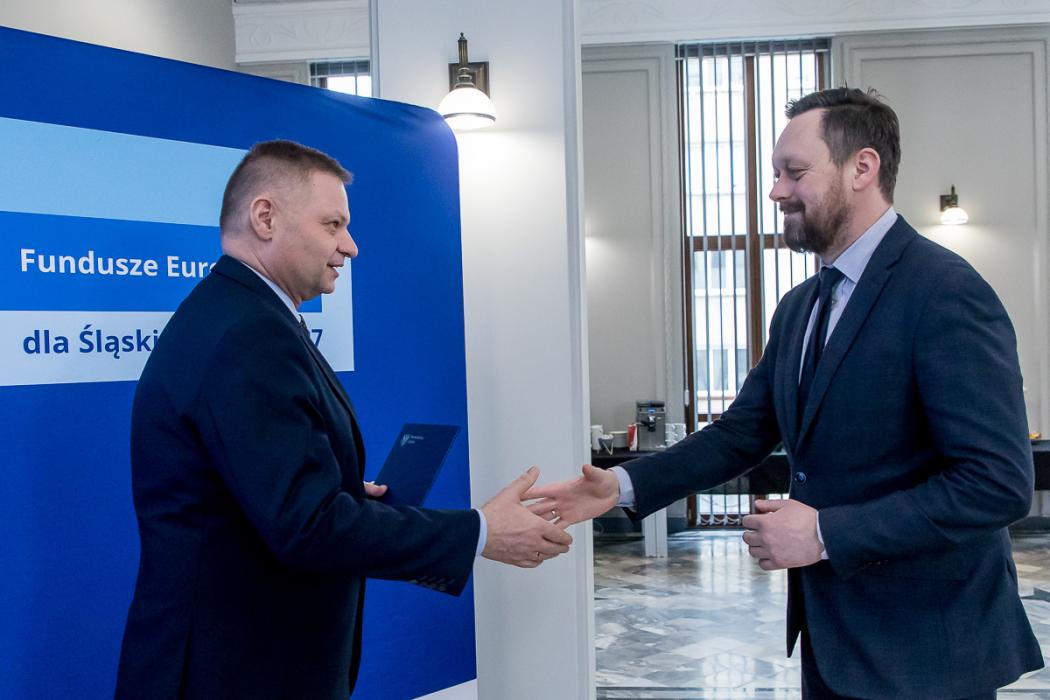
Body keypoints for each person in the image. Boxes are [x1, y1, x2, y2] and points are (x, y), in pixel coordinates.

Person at [527, 88, 1043, 698]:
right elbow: (740, 433)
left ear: (863, 167)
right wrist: (621, 485)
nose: (775, 192)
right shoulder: (800, 306)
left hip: (929, 650)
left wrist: (825, 534)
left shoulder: (946, 291)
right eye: (776, 174)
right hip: (830, 636)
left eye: (794, 172)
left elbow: (996, 483)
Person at [114, 140, 571, 700]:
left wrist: (341, 493)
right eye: (333, 224)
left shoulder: (242, 315)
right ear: (265, 218)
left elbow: (266, 493)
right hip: (234, 672)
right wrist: (480, 531)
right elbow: (306, 526)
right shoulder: (248, 334)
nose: (350, 247)